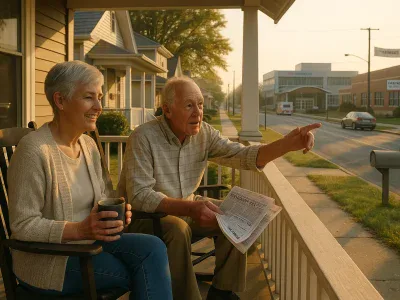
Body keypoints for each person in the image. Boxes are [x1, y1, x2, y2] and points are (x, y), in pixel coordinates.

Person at [118, 76, 321, 300]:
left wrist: (287, 144)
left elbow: (243, 156)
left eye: (200, 104)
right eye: (189, 105)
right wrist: (190, 208)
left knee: (239, 216)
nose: (198, 112)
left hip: (186, 208)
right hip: (144, 217)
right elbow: (139, 195)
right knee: (177, 229)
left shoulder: (204, 133)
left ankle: (222, 292)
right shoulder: (143, 137)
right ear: (167, 109)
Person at [8, 61, 173, 300]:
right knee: (145, 270)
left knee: (154, 248)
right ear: (60, 101)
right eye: (89, 97)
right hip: (51, 261)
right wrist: (79, 229)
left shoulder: (87, 145)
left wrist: (117, 216)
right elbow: (23, 225)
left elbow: (104, 196)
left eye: (100, 97)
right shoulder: (34, 150)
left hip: (91, 245)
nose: (99, 107)